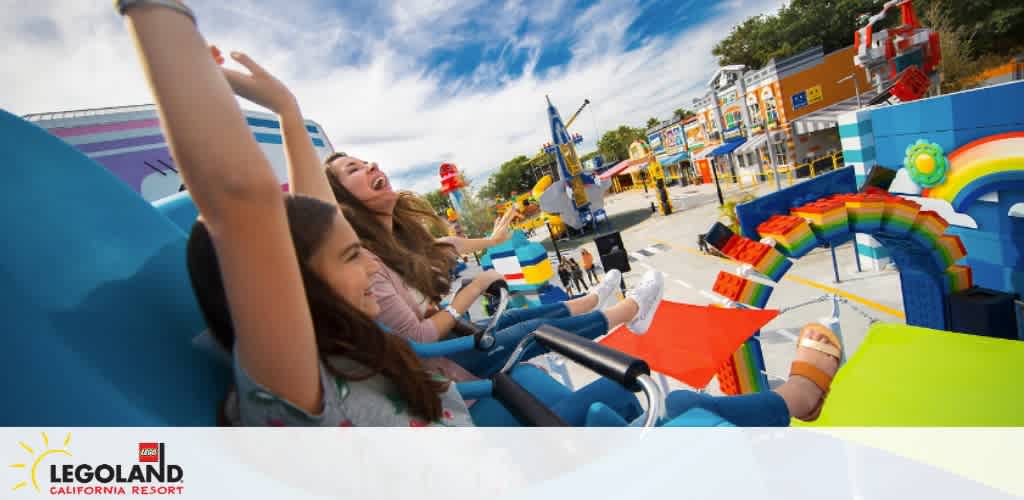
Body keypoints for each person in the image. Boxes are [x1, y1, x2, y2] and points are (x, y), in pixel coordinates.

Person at [122, 0, 845, 428]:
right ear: (286, 291)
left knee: (640, 393)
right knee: (680, 417)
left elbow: (309, 220)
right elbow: (244, 204)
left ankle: (766, 386)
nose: (367, 272)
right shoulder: (293, 383)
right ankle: (797, 394)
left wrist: (286, 111)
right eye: (350, 259)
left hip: (490, 417)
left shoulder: (345, 350)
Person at [212, 49, 669, 381]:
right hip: (436, 362)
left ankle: (601, 298)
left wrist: (490, 243)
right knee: (530, 326)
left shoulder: (398, 237)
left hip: (448, 337)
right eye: (353, 169)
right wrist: (287, 112)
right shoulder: (357, 248)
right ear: (343, 202)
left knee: (514, 321)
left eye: (367, 161)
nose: (371, 166)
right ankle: (631, 309)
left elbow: (446, 246)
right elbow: (418, 333)